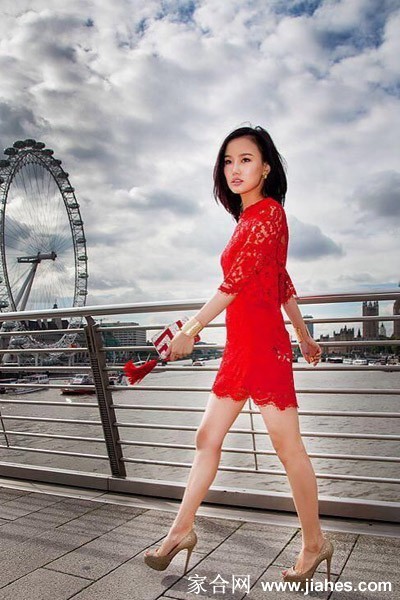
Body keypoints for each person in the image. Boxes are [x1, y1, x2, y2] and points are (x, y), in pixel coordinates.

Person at [144, 125, 334, 587]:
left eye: (246, 159)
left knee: (288, 448)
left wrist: (191, 329)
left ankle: (314, 543)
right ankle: (180, 531)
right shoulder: (246, 221)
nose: (235, 169)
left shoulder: (270, 214)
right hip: (240, 347)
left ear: (265, 167)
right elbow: (281, 281)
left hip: (264, 348)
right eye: (228, 161)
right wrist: (305, 336)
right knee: (206, 437)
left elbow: (238, 280)